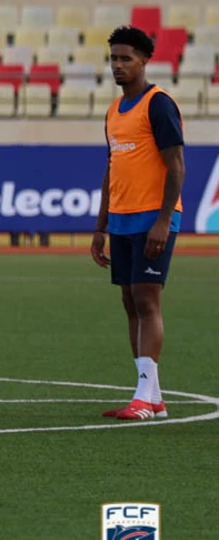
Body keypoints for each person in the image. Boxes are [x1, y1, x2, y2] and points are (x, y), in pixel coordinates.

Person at [90, 26, 185, 421]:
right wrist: (100, 227)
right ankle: (154, 397)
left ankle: (143, 397)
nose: (118, 65)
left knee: (147, 301)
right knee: (130, 303)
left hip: (152, 217)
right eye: (113, 58)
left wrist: (163, 220)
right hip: (123, 220)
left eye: (126, 58)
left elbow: (176, 166)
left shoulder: (159, 104)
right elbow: (112, 171)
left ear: (144, 60)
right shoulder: (114, 111)